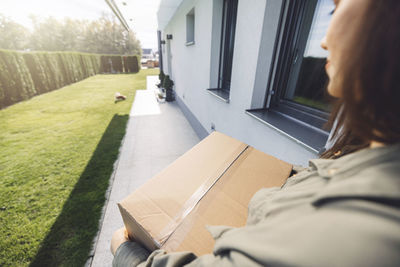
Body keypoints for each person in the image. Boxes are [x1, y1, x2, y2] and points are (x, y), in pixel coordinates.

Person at [111, 0, 400, 265]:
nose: (323, 41)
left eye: (335, 7)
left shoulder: (355, 231)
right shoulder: (367, 158)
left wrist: (125, 251)